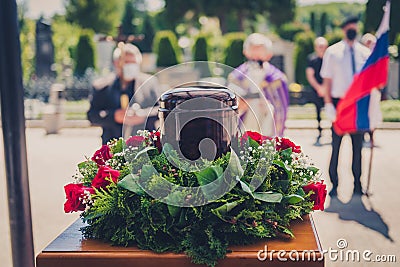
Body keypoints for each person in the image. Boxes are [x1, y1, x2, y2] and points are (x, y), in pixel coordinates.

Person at [320, 16, 371, 197]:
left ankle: (358, 184)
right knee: (336, 146)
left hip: (358, 105)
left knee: (358, 148)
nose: (352, 29)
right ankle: (334, 184)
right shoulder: (333, 52)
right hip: (339, 104)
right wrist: (327, 103)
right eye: (349, 26)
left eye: (354, 26)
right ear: (343, 29)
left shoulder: (364, 53)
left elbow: (368, 82)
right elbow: (327, 79)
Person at [87, 43, 161, 144]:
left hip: (145, 146)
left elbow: (160, 110)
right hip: (113, 145)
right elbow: (92, 115)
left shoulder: (149, 83)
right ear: (116, 63)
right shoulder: (101, 86)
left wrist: (143, 115)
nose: (131, 66)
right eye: (126, 62)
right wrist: (114, 116)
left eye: (133, 62)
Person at [228, 33, 289, 137]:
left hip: (267, 128)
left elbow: (281, 108)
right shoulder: (236, 77)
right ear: (245, 53)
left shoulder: (277, 78)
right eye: (253, 53)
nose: (255, 59)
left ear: (269, 55)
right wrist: (241, 105)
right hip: (244, 127)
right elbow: (229, 106)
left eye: (259, 53)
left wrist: (268, 107)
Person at [306, 37, 328, 146]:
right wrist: (319, 88)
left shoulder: (329, 59)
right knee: (318, 111)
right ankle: (320, 131)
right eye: (320, 46)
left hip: (328, 89)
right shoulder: (311, 59)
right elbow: (310, 75)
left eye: (324, 46)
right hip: (316, 89)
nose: (322, 48)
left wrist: (325, 87)